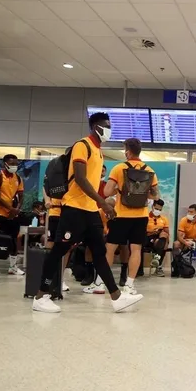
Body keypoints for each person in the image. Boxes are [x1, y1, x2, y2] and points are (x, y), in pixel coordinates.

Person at [32, 112, 143, 313]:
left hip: (90, 210)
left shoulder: (99, 151)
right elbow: (80, 179)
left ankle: (116, 297)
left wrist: (99, 205)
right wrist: (102, 203)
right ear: (95, 127)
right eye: (106, 126)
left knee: (99, 253)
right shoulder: (82, 145)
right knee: (59, 250)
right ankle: (41, 296)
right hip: (74, 208)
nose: (109, 130)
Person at [85, 138, 159, 295]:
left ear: (128, 152)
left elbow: (106, 192)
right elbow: (156, 196)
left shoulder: (119, 168)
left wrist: (119, 190)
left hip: (121, 215)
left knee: (110, 248)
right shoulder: (149, 170)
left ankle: (100, 283)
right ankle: (129, 285)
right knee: (136, 249)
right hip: (141, 216)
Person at [0, 154, 25, 277]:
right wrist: (10, 209)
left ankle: (13, 267)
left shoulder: (18, 178)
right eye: (12, 164)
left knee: (13, 240)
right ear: (5, 164)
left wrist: (17, 209)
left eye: (16, 164)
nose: (14, 166)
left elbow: (21, 195)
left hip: (13, 215)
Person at [44, 189, 73, 293]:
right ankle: (46, 277)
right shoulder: (53, 178)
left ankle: (60, 278)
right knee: (51, 245)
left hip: (69, 212)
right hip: (55, 212)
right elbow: (45, 187)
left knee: (66, 245)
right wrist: (47, 200)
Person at [174, 204, 196, 276]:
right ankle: (177, 267)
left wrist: (194, 240)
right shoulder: (184, 220)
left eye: (191, 212)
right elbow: (179, 236)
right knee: (176, 244)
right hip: (185, 240)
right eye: (188, 211)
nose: (189, 213)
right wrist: (185, 242)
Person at [145, 199, 169, 277]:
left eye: (160, 210)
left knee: (164, 236)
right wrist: (152, 232)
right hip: (147, 237)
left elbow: (167, 233)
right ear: (152, 207)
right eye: (156, 209)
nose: (158, 211)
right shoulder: (146, 217)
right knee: (161, 243)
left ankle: (157, 261)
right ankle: (158, 264)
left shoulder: (164, 219)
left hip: (159, 239)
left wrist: (167, 242)